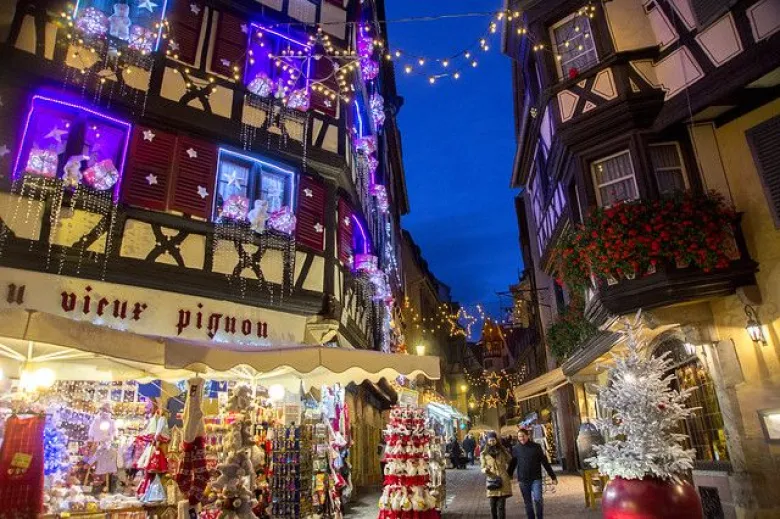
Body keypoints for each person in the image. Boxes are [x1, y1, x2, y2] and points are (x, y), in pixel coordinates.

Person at [510, 427, 557, 519]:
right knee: (528, 503)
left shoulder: (536, 447)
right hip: (523, 480)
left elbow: (544, 462)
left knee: (538, 499)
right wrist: (508, 475)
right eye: (519, 436)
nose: (521, 438)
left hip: (536, 478)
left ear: (528, 436)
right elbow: (513, 463)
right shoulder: (516, 448)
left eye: (523, 436)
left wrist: (553, 476)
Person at [480, 432, 513, 519]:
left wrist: (505, 450)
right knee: (492, 506)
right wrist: (485, 469)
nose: (492, 442)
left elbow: (510, 460)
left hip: (503, 480)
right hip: (492, 481)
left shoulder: (502, 450)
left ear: (496, 440)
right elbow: (482, 467)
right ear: (487, 441)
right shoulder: (484, 453)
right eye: (490, 440)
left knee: (501, 506)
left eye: (493, 440)